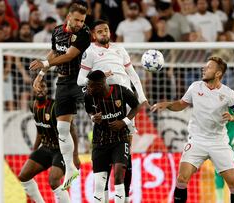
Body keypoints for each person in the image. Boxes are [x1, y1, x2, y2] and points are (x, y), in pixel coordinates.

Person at [151, 56, 234, 203]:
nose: (204, 69)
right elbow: (181, 104)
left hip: (218, 143)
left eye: (208, 67)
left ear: (218, 74)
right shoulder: (195, 87)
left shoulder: (228, 94)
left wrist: (233, 118)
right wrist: (168, 104)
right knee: (182, 179)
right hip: (197, 141)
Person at [77, 20, 148, 202]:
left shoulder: (120, 49)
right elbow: (80, 80)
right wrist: (99, 79)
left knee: (124, 155)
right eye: (99, 31)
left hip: (125, 101)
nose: (103, 33)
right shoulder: (90, 52)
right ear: (94, 35)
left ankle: (123, 197)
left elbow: (133, 75)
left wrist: (141, 97)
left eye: (106, 29)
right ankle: (105, 196)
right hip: (105, 102)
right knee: (105, 156)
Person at [29, 3, 90, 190]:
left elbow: (69, 56)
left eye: (82, 20)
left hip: (81, 81)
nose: (80, 23)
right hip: (62, 83)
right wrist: (40, 75)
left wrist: (45, 63)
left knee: (98, 116)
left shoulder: (84, 33)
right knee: (63, 127)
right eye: (77, 19)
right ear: (68, 16)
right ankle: (71, 166)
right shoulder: (57, 32)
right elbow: (55, 52)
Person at [18, 80, 80, 203]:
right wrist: (34, 150)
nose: (40, 89)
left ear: (47, 89)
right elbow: (40, 130)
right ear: (33, 89)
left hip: (61, 150)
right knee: (23, 176)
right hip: (46, 147)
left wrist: (75, 155)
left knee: (53, 181)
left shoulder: (55, 107)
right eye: (38, 86)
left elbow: (72, 130)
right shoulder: (33, 106)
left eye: (43, 86)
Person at [84, 70, 140, 203]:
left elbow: (136, 106)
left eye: (91, 85)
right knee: (99, 183)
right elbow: (89, 111)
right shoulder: (88, 96)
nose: (88, 88)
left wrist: (123, 122)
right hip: (100, 141)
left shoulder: (121, 91)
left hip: (120, 139)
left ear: (100, 85)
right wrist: (93, 117)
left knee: (119, 175)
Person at [215, 109, 234, 203]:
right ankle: (220, 201)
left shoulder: (230, 101)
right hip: (218, 142)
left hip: (233, 141)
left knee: (230, 172)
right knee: (218, 171)